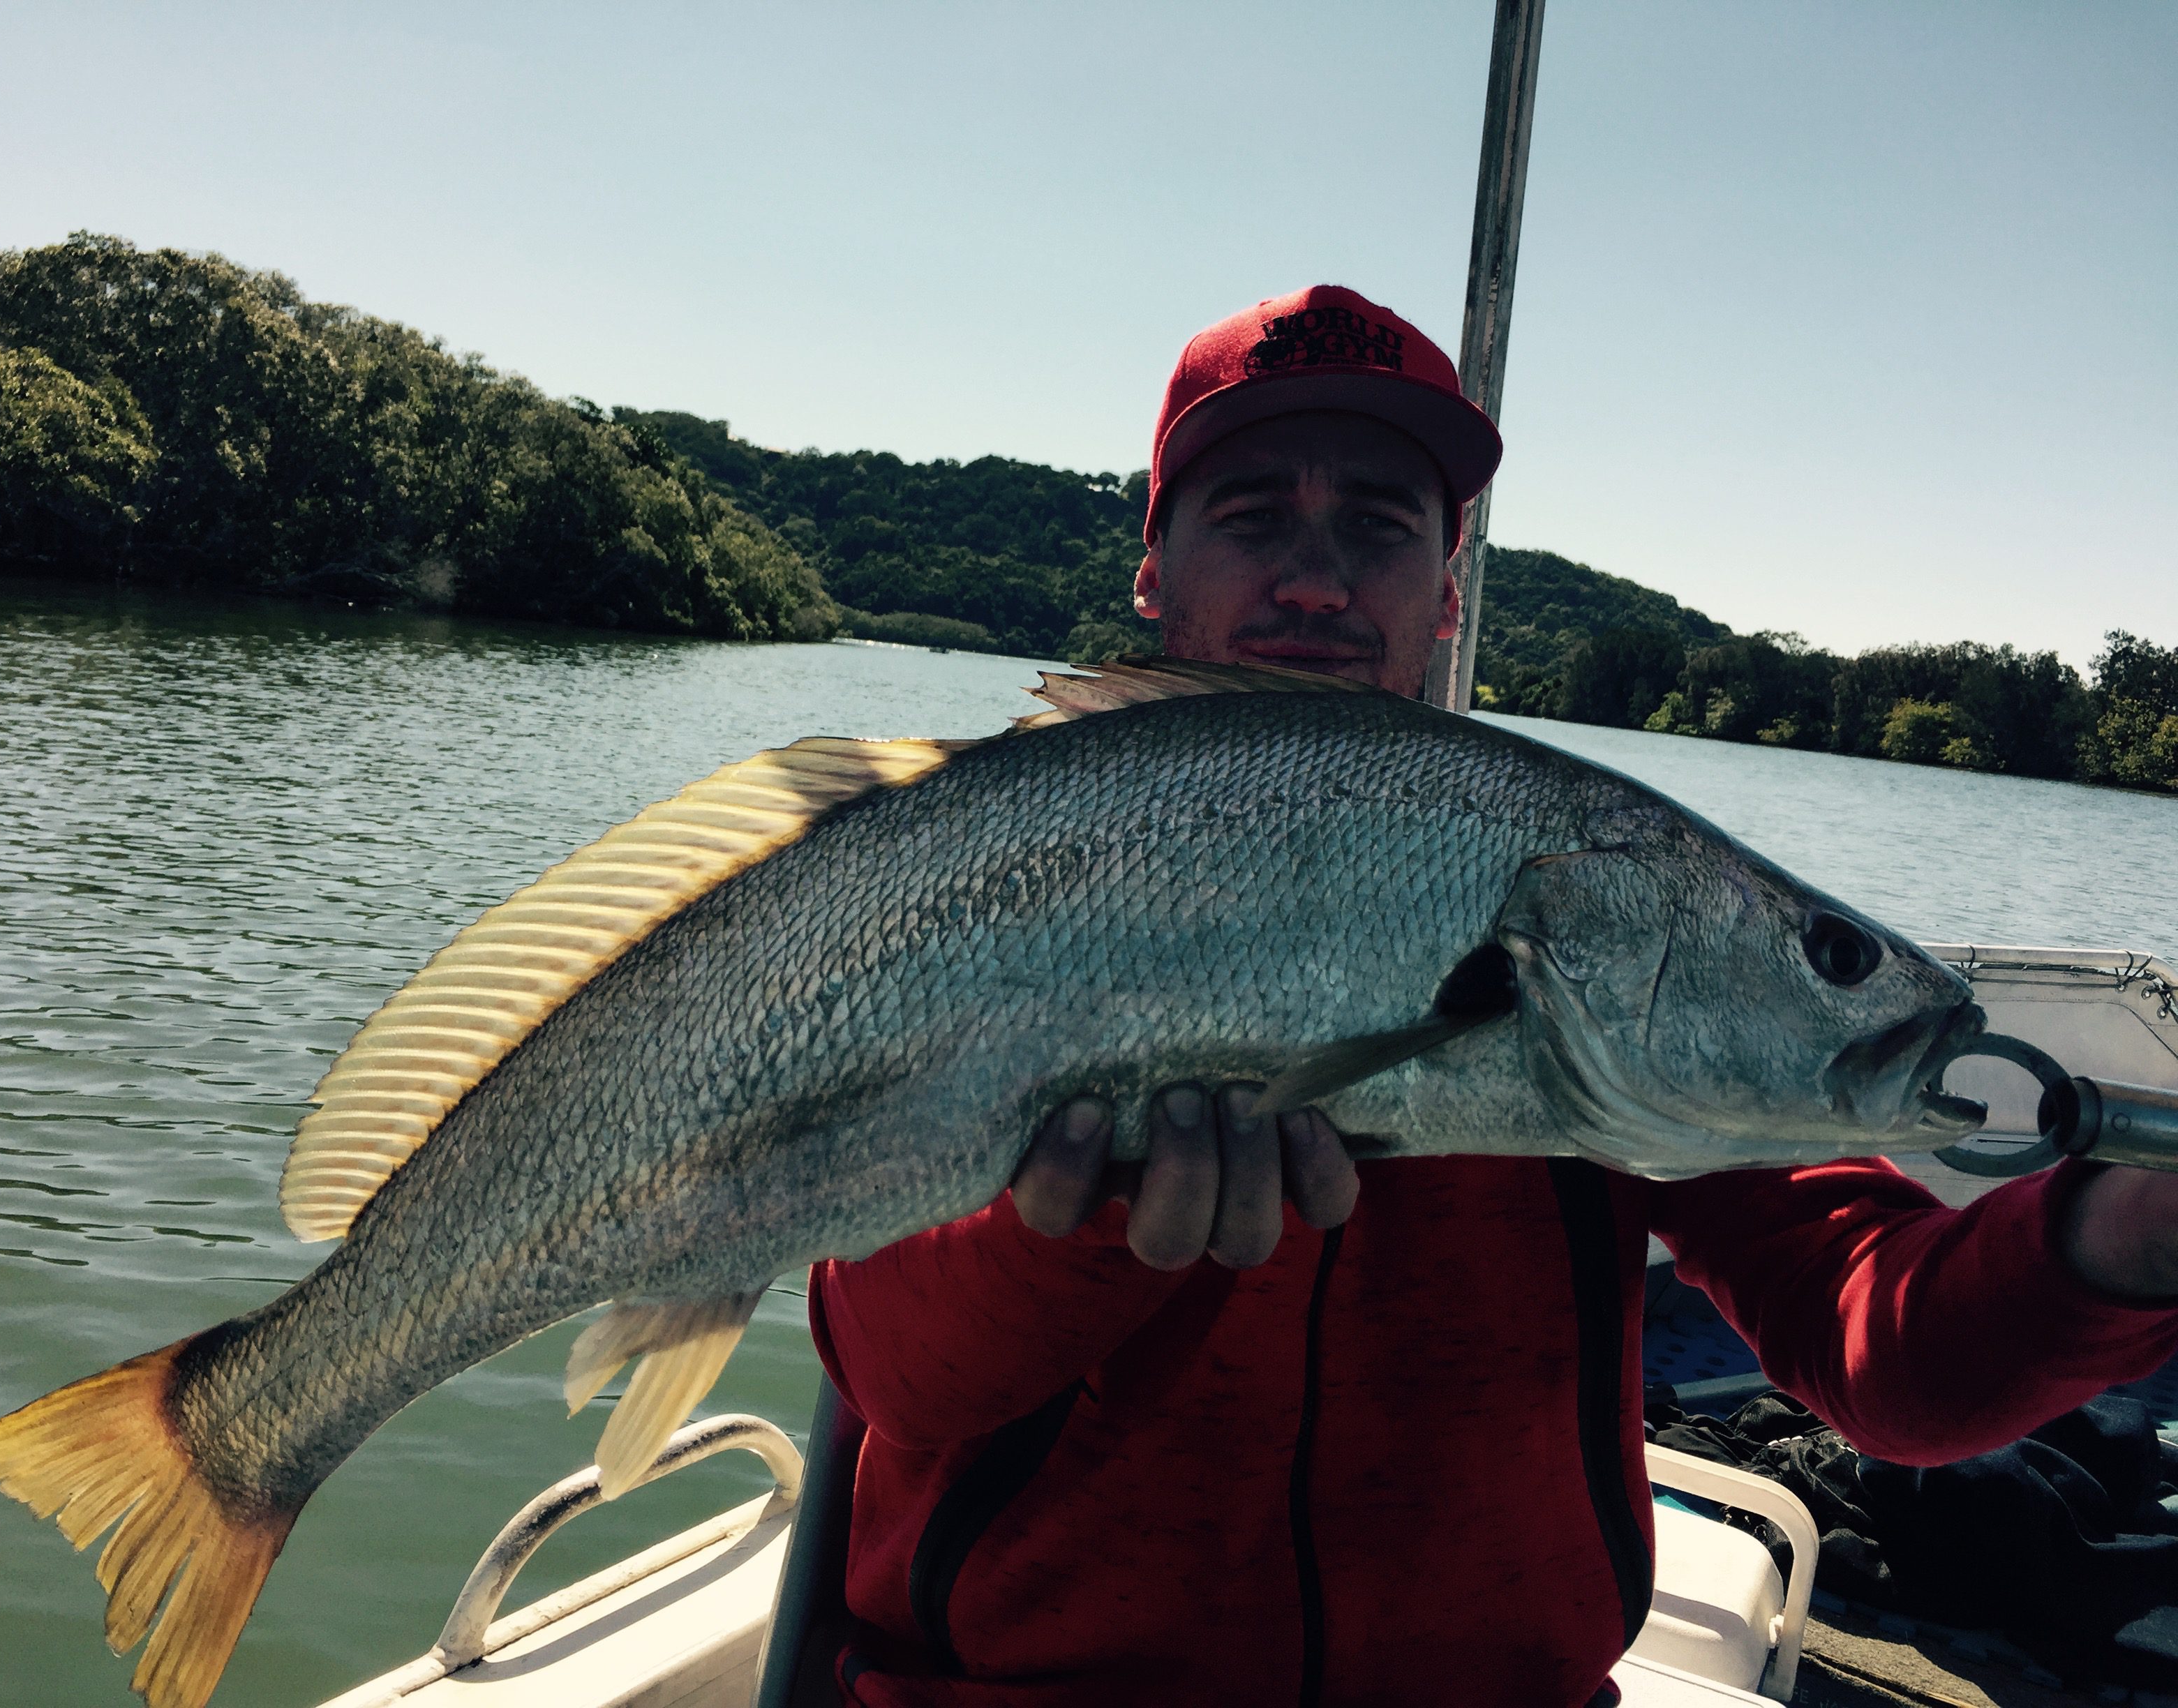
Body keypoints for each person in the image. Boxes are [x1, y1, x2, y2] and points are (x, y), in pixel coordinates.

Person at [807, 285, 2178, 1707]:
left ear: (1448, 593)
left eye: (1382, 528)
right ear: (1154, 569)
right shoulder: (984, 868)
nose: (1320, 580)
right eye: (1255, 512)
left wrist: (2117, 1238)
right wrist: (1092, 1215)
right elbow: (896, 1373)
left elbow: (1888, 1356)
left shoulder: (1597, 908)